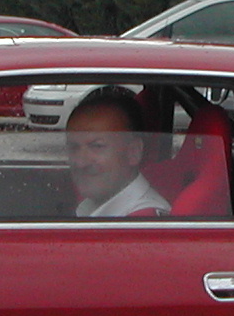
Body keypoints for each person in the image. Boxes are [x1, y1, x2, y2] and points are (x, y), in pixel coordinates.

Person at [65, 86, 170, 218]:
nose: (81, 162)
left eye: (97, 146)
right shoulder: (95, 205)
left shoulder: (143, 222)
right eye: (74, 147)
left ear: (133, 152)